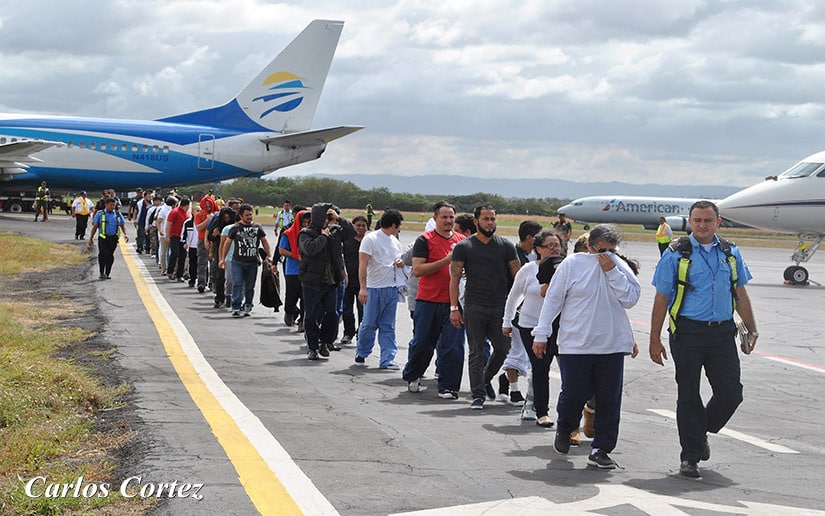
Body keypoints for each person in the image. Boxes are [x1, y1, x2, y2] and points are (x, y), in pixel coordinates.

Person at [650, 200, 758, 479]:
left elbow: (741, 294)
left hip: (722, 333)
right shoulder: (676, 253)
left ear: (718, 222)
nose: (702, 225)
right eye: (697, 220)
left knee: (731, 392)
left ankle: (700, 432)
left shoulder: (731, 252)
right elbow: (661, 298)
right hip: (687, 332)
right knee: (688, 393)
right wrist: (654, 338)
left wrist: (752, 329)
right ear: (690, 221)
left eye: (708, 221)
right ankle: (691, 456)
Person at [533, 224, 641, 469]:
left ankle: (601, 448)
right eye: (600, 249)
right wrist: (542, 333)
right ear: (590, 245)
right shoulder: (572, 265)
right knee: (574, 394)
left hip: (610, 345)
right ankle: (565, 427)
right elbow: (553, 299)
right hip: (576, 343)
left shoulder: (619, 266)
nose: (605, 255)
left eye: (611, 250)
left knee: (608, 400)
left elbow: (630, 299)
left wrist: (612, 271)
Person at [449, 204, 520, 410]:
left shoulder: (506, 246)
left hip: (500, 307)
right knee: (476, 352)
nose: (490, 223)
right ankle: (477, 394)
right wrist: (454, 308)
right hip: (474, 306)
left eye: (493, 219)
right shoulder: (464, 247)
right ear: (476, 221)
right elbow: (454, 279)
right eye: (486, 219)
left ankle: (486, 379)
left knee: (503, 349)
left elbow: (519, 277)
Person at [402, 202, 466, 397]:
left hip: (453, 302)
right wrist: (446, 261)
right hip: (428, 301)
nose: (448, 221)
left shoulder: (462, 242)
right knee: (422, 342)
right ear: (435, 219)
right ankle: (413, 374)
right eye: (444, 217)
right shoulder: (425, 240)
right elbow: (418, 270)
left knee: (453, 346)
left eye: (451, 217)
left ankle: (448, 385)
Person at [503, 230, 562, 427]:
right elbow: (514, 296)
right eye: (550, 246)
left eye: (557, 245)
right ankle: (541, 411)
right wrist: (507, 321)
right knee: (540, 367)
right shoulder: (528, 270)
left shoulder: (565, 268)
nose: (555, 249)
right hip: (530, 325)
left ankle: (568, 415)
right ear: (538, 249)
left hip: (559, 327)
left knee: (569, 370)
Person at [299, 203, 355, 360]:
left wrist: (339, 219)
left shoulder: (335, 232)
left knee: (332, 314)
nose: (328, 221)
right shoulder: (306, 233)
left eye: (329, 217)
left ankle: (325, 341)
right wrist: (323, 236)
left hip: (331, 281)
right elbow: (310, 249)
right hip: (312, 282)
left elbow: (352, 233)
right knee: (311, 315)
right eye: (326, 217)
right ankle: (312, 347)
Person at [498, 219, 543, 406]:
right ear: (530, 238)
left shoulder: (532, 257)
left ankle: (505, 380)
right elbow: (514, 289)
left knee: (525, 353)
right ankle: (515, 391)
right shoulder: (516, 257)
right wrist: (507, 319)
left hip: (531, 312)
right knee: (517, 351)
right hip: (517, 311)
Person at [354, 209, 405, 369]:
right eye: (398, 226)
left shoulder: (395, 241)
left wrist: (400, 264)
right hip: (373, 288)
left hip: (390, 289)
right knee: (368, 324)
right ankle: (362, 351)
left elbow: (400, 260)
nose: (399, 229)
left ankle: (387, 359)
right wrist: (363, 288)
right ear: (393, 224)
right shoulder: (371, 239)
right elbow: (362, 264)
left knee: (388, 325)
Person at [219, 203, 271, 317]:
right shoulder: (235, 228)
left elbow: (264, 241)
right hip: (237, 261)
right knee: (237, 283)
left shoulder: (257, 227)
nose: (249, 217)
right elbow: (227, 243)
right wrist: (222, 258)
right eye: (247, 215)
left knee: (249, 286)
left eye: (250, 215)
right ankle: (236, 306)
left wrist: (269, 255)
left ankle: (248, 304)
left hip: (252, 262)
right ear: (241, 216)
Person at [280, 209, 310, 329]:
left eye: (308, 222)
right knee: (291, 295)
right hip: (292, 270)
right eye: (304, 222)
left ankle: (303, 320)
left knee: (305, 297)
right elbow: (281, 250)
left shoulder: (312, 234)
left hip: (308, 270)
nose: (306, 225)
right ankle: (289, 312)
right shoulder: (288, 234)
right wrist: (295, 255)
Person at [341, 215, 368, 343]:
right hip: (348, 281)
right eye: (358, 225)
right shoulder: (347, 241)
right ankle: (348, 333)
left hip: (363, 282)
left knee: (362, 310)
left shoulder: (368, 242)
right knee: (347, 309)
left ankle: (361, 334)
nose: (361, 228)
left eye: (363, 226)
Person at [88, 197, 129, 280]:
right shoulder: (100, 214)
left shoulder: (117, 214)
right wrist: (91, 238)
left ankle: (107, 272)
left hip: (113, 238)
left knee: (110, 255)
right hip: (103, 238)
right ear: (106, 205)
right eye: (111, 205)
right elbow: (95, 227)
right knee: (103, 254)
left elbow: (122, 225)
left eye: (114, 205)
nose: (112, 207)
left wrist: (126, 234)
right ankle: (101, 272)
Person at [166, 197, 191, 281]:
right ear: (186, 205)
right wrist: (167, 235)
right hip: (174, 236)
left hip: (183, 237)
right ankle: (170, 271)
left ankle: (179, 274)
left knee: (182, 255)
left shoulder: (186, 214)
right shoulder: (175, 212)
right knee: (175, 253)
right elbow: (169, 223)